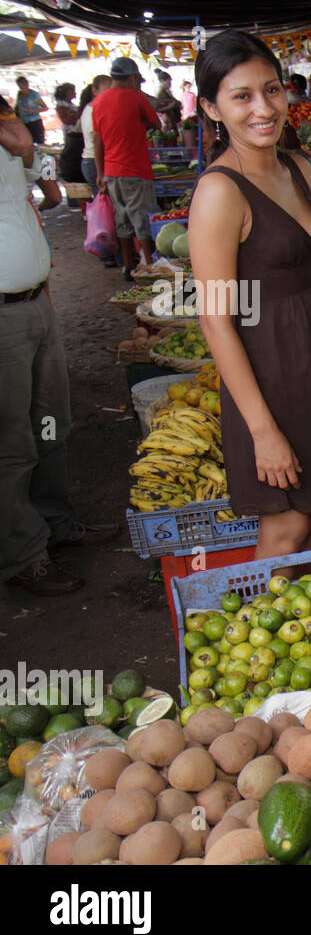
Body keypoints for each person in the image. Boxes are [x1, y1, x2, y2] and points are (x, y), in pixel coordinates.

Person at [188, 30, 311, 560]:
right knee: (286, 525)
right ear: (212, 108)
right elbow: (216, 320)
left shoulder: (298, 167)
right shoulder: (219, 193)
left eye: (272, 90)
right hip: (270, 375)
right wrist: (263, 431)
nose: (263, 108)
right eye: (241, 96)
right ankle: (261, 639)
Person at [0, 106, 120, 596]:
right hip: (4, 316)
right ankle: (23, 554)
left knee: (51, 422)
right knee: (12, 442)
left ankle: (56, 522)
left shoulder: (10, 149)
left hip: (36, 304)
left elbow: (46, 188)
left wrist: (26, 147)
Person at [93, 57, 162, 278]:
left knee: (122, 218)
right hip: (135, 169)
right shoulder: (136, 97)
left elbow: (97, 140)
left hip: (111, 172)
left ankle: (128, 266)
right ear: (132, 78)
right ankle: (150, 265)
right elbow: (157, 124)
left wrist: (99, 173)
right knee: (142, 217)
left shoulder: (99, 102)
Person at [15, 76, 46, 144]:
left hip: (34, 122)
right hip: (24, 122)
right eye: (19, 86)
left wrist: (33, 111)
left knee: (38, 142)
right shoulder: (19, 94)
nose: (21, 88)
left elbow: (45, 108)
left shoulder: (34, 94)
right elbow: (18, 107)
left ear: (26, 85)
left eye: (22, 86)